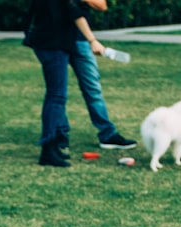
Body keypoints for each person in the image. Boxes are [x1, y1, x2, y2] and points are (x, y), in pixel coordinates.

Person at [23, 0, 135, 167]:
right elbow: (74, 13)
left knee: (58, 96)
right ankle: (49, 147)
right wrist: (92, 40)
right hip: (53, 42)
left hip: (52, 40)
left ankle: (53, 146)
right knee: (56, 96)